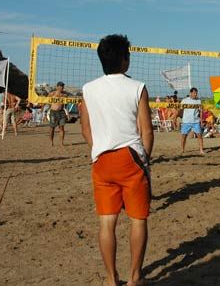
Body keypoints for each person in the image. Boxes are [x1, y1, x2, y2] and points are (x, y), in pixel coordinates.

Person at [79, 34, 154, 286]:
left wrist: (97, 148)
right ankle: (134, 278)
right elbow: (147, 130)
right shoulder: (137, 87)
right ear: (125, 59)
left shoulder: (88, 89)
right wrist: (144, 160)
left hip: (101, 160)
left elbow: (86, 130)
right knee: (138, 220)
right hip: (130, 158)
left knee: (107, 223)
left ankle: (111, 280)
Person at [180, 87, 204, 155]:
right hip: (186, 121)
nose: (195, 94)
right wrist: (181, 117)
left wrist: (201, 121)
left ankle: (201, 150)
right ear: (190, 93)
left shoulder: (199, 101)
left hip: (196, 121)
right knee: (183, 136)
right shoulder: (185, 100)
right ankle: (182, 149)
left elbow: (201, 112)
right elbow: (180, 110)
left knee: (199, 136)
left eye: (196, 93)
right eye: (194, 93)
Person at [48, 81, 69, 147]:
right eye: (60, 86)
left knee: (61, 128)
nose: (62, 87)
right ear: (57, 87)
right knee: (52, 128)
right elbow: (45, 100)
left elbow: (67, 102)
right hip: (53, 112)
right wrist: (45, 109)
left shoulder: (65, 95)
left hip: (61, 112)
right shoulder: (52, 93)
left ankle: (61, 143)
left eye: (62, 86)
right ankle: (51, 142)